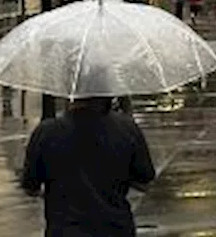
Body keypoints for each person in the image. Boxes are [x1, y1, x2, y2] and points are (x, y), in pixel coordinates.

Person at [23, 96, 156, 236]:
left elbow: (30, 186)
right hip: (115, 228)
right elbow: (145, 181)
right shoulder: (127, 128)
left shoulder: (46, 131)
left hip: (65, 230)